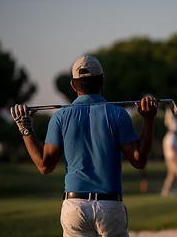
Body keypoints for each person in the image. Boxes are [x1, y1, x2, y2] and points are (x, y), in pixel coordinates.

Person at [10, 55, 158, 237]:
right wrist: (149, 120)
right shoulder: (118, 115)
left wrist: (25, 129)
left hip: (74, 207)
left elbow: (45, 165)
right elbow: (139, 160)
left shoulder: (60, 117)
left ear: (73, 85)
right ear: (102, 81)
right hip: (109, 207)